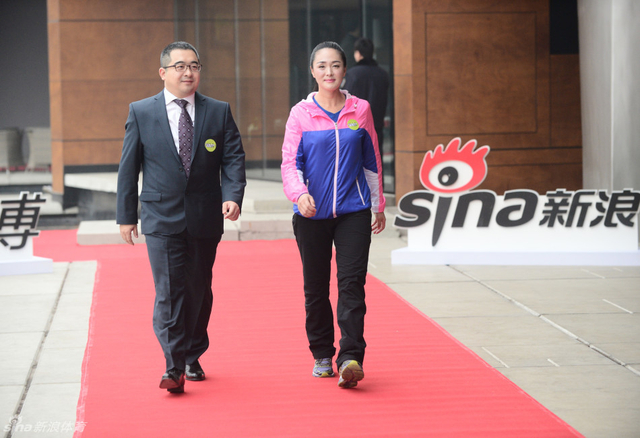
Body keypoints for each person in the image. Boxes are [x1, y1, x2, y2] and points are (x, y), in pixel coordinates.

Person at [116, 41, 246, 394]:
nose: (188, 72)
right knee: (169, 291)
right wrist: (126, 216)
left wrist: (232, 196)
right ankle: (173, 366)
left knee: (199, 290)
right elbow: (128, 168)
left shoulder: (218, 111)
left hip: (205, 215)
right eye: (180, 66)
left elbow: (233, 158)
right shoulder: (141, 111)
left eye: (194, 66)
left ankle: (192, 353)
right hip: (160, 216)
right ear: (163, 72)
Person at [281, 41, 386, 389]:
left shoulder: (360, 110)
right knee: (316, 288)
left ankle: (351, 357)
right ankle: (322, 353)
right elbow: (290, 163)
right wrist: (300, 194)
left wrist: (378, 204)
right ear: (313, 71)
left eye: (336, 65)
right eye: (322, 66)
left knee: (352, 284)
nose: (330, 72)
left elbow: (371, 160)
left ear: (345, 70)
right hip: (311, 214)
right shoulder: (300, 114)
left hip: (353, 211)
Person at [343, 37, 390, 152]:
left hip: (356, 126)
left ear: (358, 53)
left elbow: (346, 101)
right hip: (377, 125)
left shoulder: (352, 74)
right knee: (376, 157)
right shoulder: (383, 74)